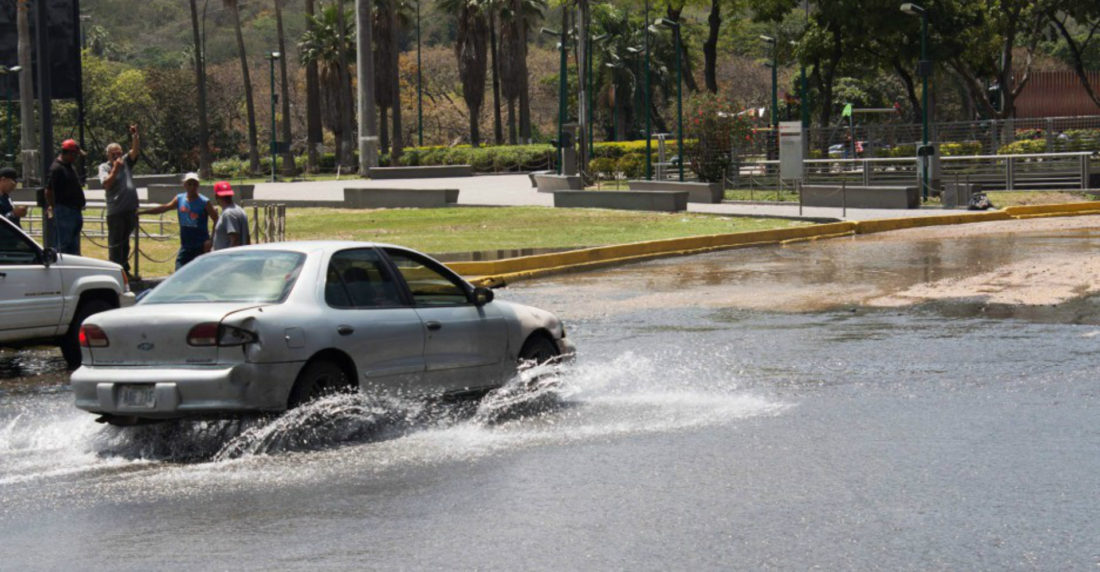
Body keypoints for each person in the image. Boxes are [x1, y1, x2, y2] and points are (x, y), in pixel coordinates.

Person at [138, 172, 218, 270]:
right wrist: (143, 212)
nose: (192, 187)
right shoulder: (180, 199)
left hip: (200, 246)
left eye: (194, 184)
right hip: (185, 246)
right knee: (179, 272)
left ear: (198, 185)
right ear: (184, 185)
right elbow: (164, 208)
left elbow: (216, 219)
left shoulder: (204, 202)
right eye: (189, 184)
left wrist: (211, 240)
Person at [98, 124, 141, 276]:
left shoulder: (126, 162)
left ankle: (125, 271)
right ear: (108, 155)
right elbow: (106, 184)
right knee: (115, 244)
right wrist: (115, 168)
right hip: (115, 211)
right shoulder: (104, 167)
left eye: (119, 153)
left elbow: (135, 151)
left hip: (129, 209)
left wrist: (135, 136)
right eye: (113, 154)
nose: (117, 156)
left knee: (125, 244)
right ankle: (115, 272)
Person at [45, 139, 87, 255]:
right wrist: (54, 207)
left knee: (73, 247)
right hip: (64, 211)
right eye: (75, 155)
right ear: (68, 153)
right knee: (62, 245)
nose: (76, 158)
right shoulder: (57, 169)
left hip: (74, 211)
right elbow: (48, 191)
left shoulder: (68, 166)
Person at [211, 181, 250, 251]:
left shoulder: (228, 214)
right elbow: (247, 238)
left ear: (216, 196)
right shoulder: (240, 210)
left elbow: (235, 240)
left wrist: (230, 260)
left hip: (229, 259)